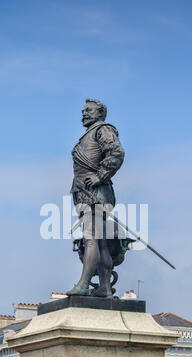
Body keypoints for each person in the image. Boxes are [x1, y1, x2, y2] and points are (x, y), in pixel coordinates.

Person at [66, 99, 125, 297]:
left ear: (100, 113)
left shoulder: (103, 130)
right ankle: (105, 288)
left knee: (90, 238)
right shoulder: (89, 133)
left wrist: (100, 176)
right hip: (86, 192)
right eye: (83, 110)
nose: (83, 113)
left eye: (88, 110)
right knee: (99, 241)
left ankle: (83, 284)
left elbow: (116, 153)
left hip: (95, 194)